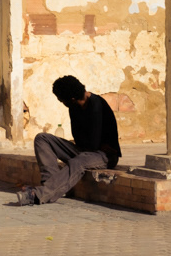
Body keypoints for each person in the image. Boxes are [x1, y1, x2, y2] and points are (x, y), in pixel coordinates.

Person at [16, 75, 121, 206]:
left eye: (61, 100)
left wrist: (88, 145)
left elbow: (93, 144)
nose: (62, 103)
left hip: (104, 155)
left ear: (71, 99)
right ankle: (52, 186)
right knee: (42, 139)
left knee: (79, 161)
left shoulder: (96, 105)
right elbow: (79, 138)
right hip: (85, 150)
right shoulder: (74, 107)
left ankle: (38, 195)